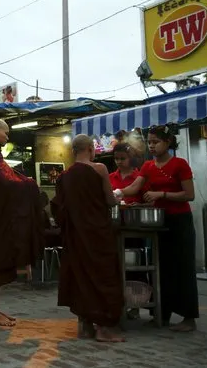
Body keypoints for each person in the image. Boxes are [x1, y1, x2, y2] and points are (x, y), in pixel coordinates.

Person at [114, 125, 198, 333]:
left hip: (179, 221)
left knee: (183, 269)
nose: (151, 146)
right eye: (149, 142)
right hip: (159, 222)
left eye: (155, 142)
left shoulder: (179, 164)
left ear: (168, 142)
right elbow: (134, 188)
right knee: (161, 269)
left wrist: (161, 195)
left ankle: (189, 318)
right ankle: (163, 315)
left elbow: (189, 195)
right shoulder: (148, 166)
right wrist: (115, 192)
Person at [51, 134, 125, 343]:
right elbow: (110, 200)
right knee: (102, 276)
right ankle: (103, 328)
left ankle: (84, 326)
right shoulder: (99, 169)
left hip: (75, 236)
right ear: (91, 149)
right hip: (96, 234)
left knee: (81, 277)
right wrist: (119, 196)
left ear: (73, 151)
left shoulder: (65, 175)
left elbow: (58, 207)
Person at [0, 118, 43, 326]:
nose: (7, 136)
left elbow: (9, 176)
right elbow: (5, 181)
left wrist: (25, 181)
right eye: (5, 133)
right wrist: (28, 184)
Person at [108, 143, 147, 320]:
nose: (119, 162)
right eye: (116, 158)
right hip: (114, 227)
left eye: (122, 158)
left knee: (134, 267)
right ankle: (117, 303)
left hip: (134, 228)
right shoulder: (110, 177)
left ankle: (135, 305)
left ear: (131, 158)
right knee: (115, 267)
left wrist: (136, 204)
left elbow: (147, 199)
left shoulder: (140, 177)